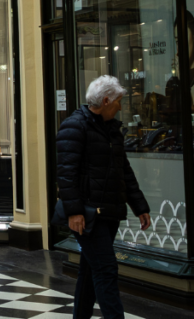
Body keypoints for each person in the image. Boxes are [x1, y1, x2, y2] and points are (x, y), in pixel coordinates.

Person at [57, 75, 151, 319]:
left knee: (90, 271)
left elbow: (124, 171)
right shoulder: (74, 126)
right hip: (88, 214)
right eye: (119, 101)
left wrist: (139, 205)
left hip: (109, 211)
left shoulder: (112, 130)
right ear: (107, 100)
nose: (121, 106)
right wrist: (75, 212)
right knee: (106, 270)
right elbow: (66, 174)